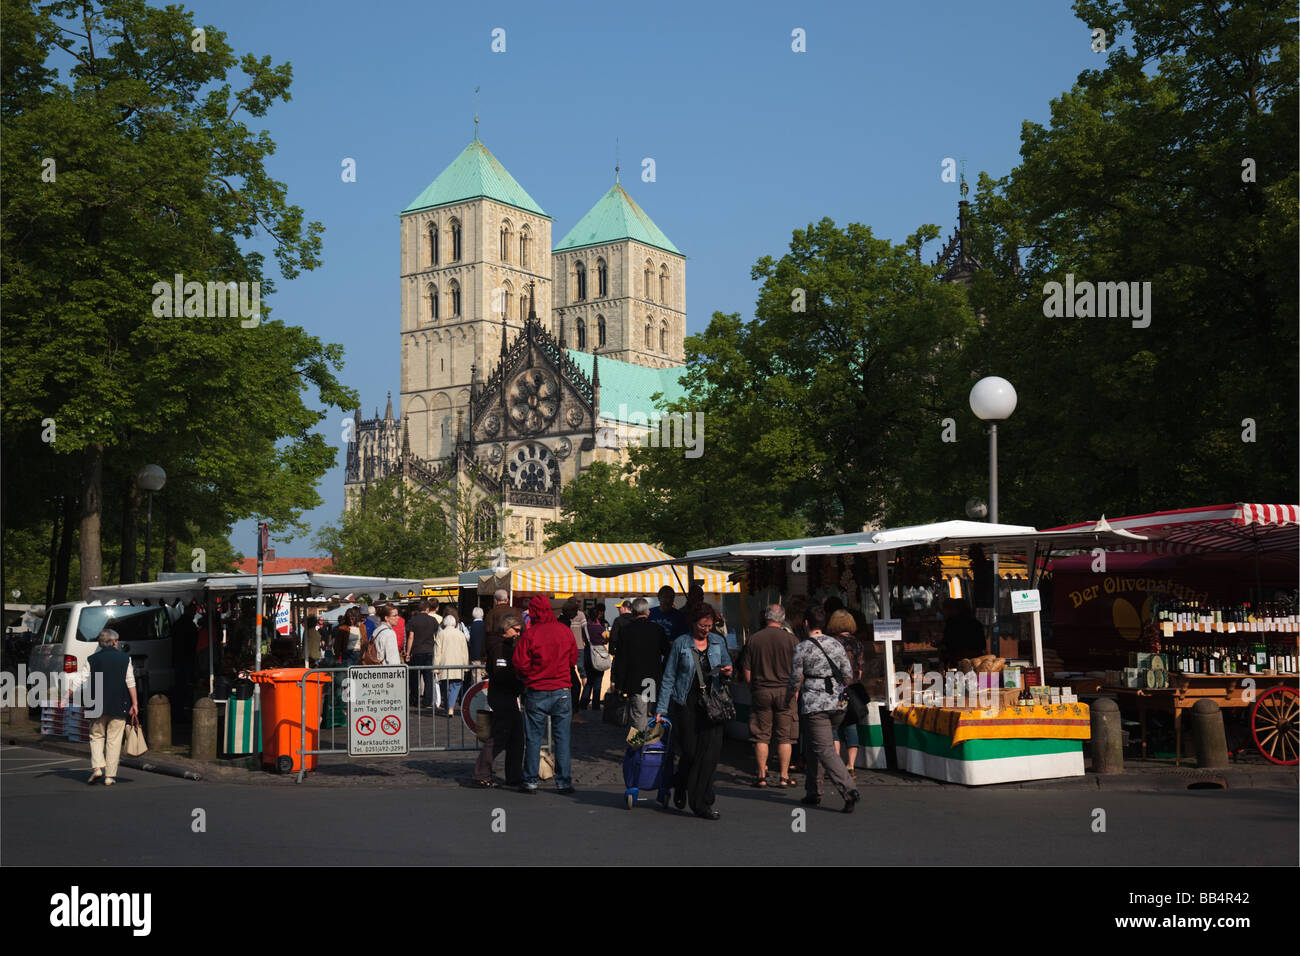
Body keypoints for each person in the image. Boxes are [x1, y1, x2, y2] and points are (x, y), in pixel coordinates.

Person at [654, 603, 732, 820]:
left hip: (713, 704)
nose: (706, 629)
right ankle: (680, 782)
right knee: (690, 752)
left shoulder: (718, 641)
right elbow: (669, 677)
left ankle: (702, 802)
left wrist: (726, 672)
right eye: (702, 625)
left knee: (710, 755)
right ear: (693, 622)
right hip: (687, 704)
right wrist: (661, 709)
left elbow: (727, 666)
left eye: (710, 625)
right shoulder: (681, 643)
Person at [786, 606, 860, 813]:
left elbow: (794, 679)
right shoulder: (836, 644)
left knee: (824, 749)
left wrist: (788, 697)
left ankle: (849, 790)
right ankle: (813, 791)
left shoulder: (802, 648)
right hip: (838, 704)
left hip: (815, 705)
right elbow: (847, 674)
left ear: (806, 623)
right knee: (813, 746)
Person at [512, 594, 578, 794]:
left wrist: (529, 675)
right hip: (562, 690)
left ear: (533, 612)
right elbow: (573, 659)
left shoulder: (531, 634)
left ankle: (531, 780)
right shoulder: (564, 631)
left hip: (537, 689)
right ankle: (564, 781)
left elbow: (519, 663)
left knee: (533, 737)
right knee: (563, 738)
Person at [742, 603, 800, 788]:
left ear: (766, 618)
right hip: (786, 692)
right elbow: (799, 671)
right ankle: (783, 776)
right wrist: (796, 691)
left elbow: (747, 671)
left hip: (762, 691)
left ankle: (761, 776)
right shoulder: (792, 640)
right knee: (785, 737)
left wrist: (755, 688)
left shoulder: (754, 639)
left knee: (761, 735)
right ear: (782, 618)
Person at [473, 612, 525, 788]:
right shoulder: (499, 647)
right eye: (516, 630)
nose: (518, 633)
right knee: (499, 737)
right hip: (502, 694)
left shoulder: (503, 645)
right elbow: (501, 674)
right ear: (507, 628)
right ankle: (482, 774)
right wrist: (518, 682)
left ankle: (514, 776)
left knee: (516, 736)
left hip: (505, 694)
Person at [84, 629, 139, 787]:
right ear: (115, 642)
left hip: (96, 704)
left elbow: (81, 678)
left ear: (100, 643)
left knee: (96, 736)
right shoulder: (125, 659)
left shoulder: (92, 659)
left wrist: (67, 695)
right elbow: (130, 682)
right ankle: (110, 776)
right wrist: (134, 703)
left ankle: (97, 767)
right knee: (114, 741)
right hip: (119, 703)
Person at [613, 598, 670, 731]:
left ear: (633, 612)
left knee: (638, 716)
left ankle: (637, 747)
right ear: (648, 612)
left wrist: (619, 683)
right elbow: (667, 652)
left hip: (635, 680)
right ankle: (649, 744)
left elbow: (621, 659)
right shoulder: (657, 630)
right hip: (652, 679)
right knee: (651, 714)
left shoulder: (626, 631)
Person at [827, 609, 866, 779]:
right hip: (852, 687)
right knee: (851, 724)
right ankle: (850, 765)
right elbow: (860, 667)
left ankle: (835, 764)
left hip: (835, 687)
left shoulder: (830, 642)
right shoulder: (857, 643)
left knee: (833, 727)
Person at [434, 610, 469, 715]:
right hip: (458, 664)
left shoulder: (441, 634)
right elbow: (465, 652)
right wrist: (465, 666)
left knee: (445, 685)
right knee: (456, 685)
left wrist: (435, 667)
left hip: (444, 665)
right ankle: (451, 707)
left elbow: (437, 653)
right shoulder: (461, 635)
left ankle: (448, 706)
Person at [406, 600, 439, 710]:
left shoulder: (413, 621)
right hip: (429, 650)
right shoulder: (433, 620)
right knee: (428, 677)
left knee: (415, 677)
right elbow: (436, 635)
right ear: (427, 609)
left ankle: (414, 699)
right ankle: (427, 700)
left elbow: (411, 637)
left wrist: (408, 652)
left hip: (416, 651)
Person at [939, 598, 986, 669]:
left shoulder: (952, 623)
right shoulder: (975, 622)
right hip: (976, 661)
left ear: (955, 609)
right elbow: (983, 644)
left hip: (958, 660)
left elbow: (949, 643)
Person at [579, 606, 609, 710]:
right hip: (598, 656)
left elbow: (584, 639)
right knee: (598, 681)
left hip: (588, 655)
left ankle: (583, 703)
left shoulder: (585, 628)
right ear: (598, 615)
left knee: (588, 682)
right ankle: (595, 705)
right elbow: (606, 639)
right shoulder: (600, 628)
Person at [468, 606, 486, 684]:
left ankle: (477, 695)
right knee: (484, 675)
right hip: (484, 655)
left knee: (476, 677)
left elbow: (469, 640)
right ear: (483, 615)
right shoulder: (486, 625)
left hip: (474, 655)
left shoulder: (471, 626)